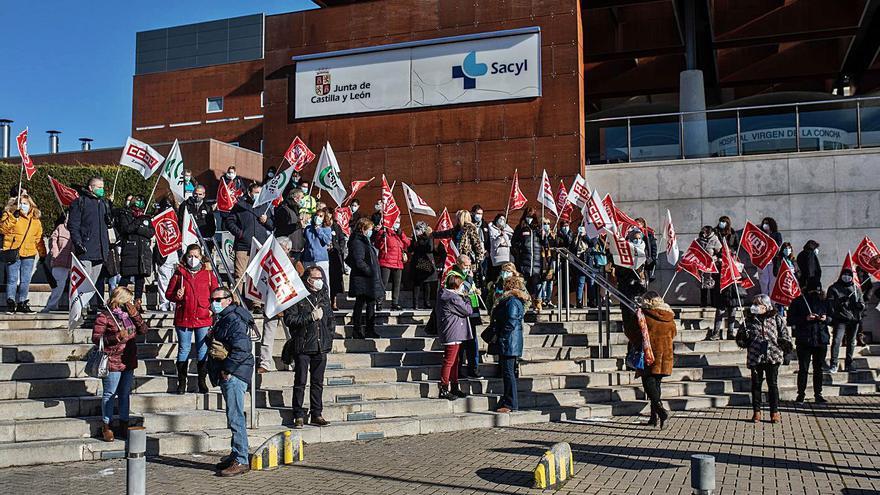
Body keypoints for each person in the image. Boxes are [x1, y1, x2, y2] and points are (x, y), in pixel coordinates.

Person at [207, 286, 254, 477]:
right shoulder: (223, 318)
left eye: (218, 300)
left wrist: (227, 369)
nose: (214, 303)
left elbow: (242, 349)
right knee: (233, 415)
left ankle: (241, 459)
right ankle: (236, 454)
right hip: (231, 371)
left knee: (236, 417)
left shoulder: (234, 319)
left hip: (235, 373)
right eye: (212, 299)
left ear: (228, 300)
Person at [92, 287, 148, 442]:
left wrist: (135, 315)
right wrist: (116, 337)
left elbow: (144, 330)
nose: (130, 303)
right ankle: (107, 425)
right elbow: (96, 339)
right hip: (113, 360)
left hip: (128, 359)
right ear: (120, 299)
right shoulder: (105, 316)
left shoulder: (129, 315)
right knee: (110, 393)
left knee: (125, 393)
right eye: (128, 300)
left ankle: (124, 423)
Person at [282, 266, 333, 429]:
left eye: (320, 278)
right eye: (315, 278)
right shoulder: (298, 295)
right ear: (307, 279)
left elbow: (330, 320)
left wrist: (329, 337)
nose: (319, 281)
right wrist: (309, 317)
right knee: (300, 381)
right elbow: (290, 320)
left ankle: (317, 413)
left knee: (318, 382)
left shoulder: (324, 295)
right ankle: (298, 414)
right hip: (303, 345)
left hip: (320, 345)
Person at [166, 244, 220, 394]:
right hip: (184, 317)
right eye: (190, 256)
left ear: (201, 257)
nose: (193, 259)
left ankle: (202, 381)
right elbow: (168, 294)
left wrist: (212, 310)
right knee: (184, 349)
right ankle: (182, 382)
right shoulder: (179, 273)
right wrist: (177, 295)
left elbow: (217, 295)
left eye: (196, 256)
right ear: (186, 256)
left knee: (202, 349)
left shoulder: (208, 274)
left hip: (203, 317)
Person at [739, 294, 793, 424]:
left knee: (772, 384)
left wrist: (784, 347)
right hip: (755, 356)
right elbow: (741, 337)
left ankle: (774, 412)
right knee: (756, 385)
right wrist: (743, 337)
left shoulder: (776, 318)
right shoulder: (749, 319)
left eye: (758, 304)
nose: (755, 306)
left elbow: (785, 334)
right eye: (754, 304)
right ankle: (756, 412)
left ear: (766, 306)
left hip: (772, 356)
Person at [628, 291, 676, 429]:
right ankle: (654, 417)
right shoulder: (669, 315)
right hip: (665, 355)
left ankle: (661, 412)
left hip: (649, 354)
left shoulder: (642, 315)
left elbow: (631, 332)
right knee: (657, 384)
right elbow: (674, 333)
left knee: (648, 383)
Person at [68, 177, 112, 311]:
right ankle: (80, 307)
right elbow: (73, 225)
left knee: (93, 282)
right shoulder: (80, 202)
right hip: (86, 249)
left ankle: (87, 304)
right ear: (91, 187)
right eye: (99, 187)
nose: (101, 189)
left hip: (100, 250)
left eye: (102, 187)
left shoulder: (103, 203)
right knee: (84, 280)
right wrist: (78, 242)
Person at [1, 193, 46, 313]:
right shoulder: (10, 214)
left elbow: (38, 238)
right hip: (13, 251)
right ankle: (11, 302)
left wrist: (42, 253)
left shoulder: (35, 219)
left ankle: (22, 302)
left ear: (31, 205)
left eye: (25, 203)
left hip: (29, 252)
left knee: (25, 280)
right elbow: (3, 229)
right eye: (21, 203)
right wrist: (13, 217)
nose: (23, 206)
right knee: (12, 279)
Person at [490, 275, 529, 413]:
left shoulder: (512, 301)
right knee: (508, 372)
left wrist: (502, 336)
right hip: (511, 341)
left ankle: (510, 403)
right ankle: (507, 400)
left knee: (508, 373)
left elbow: (511, 320)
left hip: (509, 341)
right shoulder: (515, 300)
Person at [787, 283, 830, 403]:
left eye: (818, 291)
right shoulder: (799, 301)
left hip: (821, 339)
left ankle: (818, 394)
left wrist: (826, 319)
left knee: (818, 369)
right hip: (804, 340)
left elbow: (833, 316)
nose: (816, 293)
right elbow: (790, 319)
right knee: (803, 369)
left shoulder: (824, 301)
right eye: (813, 291)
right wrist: (805, 318)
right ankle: (801, 394)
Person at [225, 182, 274, 284]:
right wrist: (240, 234)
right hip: (243, 246)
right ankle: (237, 295)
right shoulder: (240, 206)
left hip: (260, 247)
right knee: (239, 276)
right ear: (249, 193)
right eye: (256, 193)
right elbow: (229, 222)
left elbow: (272, 226)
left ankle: (254, 295)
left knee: (257, 276)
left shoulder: (265, 207)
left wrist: (266, 221)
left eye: (260, 193)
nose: (258, 195)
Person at [436, 274, 474, 400]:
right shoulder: (453, 298)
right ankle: (444, 388)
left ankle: (454, 386)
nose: (463, 287)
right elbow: (468, 311)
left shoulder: (445, 295)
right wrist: (467, 298)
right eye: (461, 285)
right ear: (456, 286)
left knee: (455, 361)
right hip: (453, 332)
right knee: (449, 361)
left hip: (453, 331)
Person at [445, 254, 483, 379]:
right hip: (460, 313)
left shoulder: (468, 274)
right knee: (461, 343)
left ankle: (473, 368)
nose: (468, 268)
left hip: (471, 311)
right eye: (465, 265)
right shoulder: (453, 275)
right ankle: (459, 369)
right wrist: (469, 280)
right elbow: (462, 291)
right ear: (459, 264)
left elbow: (471, 290)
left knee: (473, 342)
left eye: (469, 265)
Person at [346, 218, 383, 339]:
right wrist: (370, 271)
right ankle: (357, 330)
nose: (371, 232)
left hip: (368, 280)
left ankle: (369, 329)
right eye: (369, 229)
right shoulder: (358, 242)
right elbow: (359, 261)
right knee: (360, 304)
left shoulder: (365, 241)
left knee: (371, 304)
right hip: (363, 279)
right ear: (363, 229)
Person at [115, 195, 154, 304]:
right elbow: (127, 229)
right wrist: (138, 222)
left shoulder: (146, 217)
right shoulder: (125, 214)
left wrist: (139, 228)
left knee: (140, 278)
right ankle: (117, 300)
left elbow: (151, 232)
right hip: (130, 250)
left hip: (142, 252)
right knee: (125, 277)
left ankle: (138, 301)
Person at [826, 268, 865, 372]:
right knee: (837, 340)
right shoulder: (834, 288)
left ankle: (849, 363)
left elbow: (862, 303)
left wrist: (858, 305)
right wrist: (840, 302)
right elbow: (829, 304)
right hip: (840, 319)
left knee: (851, 342)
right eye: (845, 274)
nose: (847, 277)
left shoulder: (856, 289)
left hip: (854, 319)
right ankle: (834, 363)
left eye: (849, 275)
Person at [374, 218, 411, 311]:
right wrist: (381, 237)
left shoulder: (399, 233)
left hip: (398, 262)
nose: (397, 224)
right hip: (386, 261)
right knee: (383, 283)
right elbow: (377, 245)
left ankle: (395, 303)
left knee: (397, 284)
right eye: (396, 222)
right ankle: (379, 301)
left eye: (398, 222)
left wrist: (401, 234)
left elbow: (407, 243)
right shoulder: (384, 232)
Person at [151, 198, 179, 312]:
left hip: (175, 254)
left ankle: (173, 303)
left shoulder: (176, 220)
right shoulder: (156, 221)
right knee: (163, 280)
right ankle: (164, 303)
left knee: (175, 280)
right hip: (163, 255)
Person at [512, 208, 542, 308]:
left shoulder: (538, 229)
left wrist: (544, 235)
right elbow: (514, 243)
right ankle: (524, 303)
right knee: (524, 284)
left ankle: (536, 303)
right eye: (528, 216)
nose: (530, 218)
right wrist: (519, 250)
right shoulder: (520, 228)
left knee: (536, 284)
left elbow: (545, 244)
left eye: (531, 216)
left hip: (536, 262)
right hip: (524, 261)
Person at [42, 212, 72, 313]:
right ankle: (52, 305)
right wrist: (55, 253)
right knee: (58, 285)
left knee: (76, 286)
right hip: (60, 261)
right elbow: (53, 241)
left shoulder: (79, 228)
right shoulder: (60, 227)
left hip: (74, 262)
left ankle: (75, 307)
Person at [409, 221, 438, 310]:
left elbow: (430, 248)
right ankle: (415, 304)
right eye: (416, 229)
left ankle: (427, 302)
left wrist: (420, 244)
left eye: (419, 229)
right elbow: (410, 249)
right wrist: (414, 243)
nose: (417, 231)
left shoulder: (428, 237)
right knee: (416, 283)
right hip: (417, 261)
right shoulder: (414, 238)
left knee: (427, 282)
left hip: (426, 261)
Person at [178, 185, 216, 250]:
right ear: (193, 193)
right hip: (189, 237)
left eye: (200, 194)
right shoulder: (185, 205)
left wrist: (208, 236)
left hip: (204, 237)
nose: (197, 196)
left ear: (204, 195)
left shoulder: (207, 207)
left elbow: (211, 224)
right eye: (196, 194)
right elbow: (180, 221)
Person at [302, 209, 333, 284]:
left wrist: (319, 230)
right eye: (317, 215)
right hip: (308, 258)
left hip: (321, 259)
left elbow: (327, 241)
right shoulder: (308, 229)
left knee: (324, 280)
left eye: (321, 216)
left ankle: (325, 292)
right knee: (308, 280)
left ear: (324, 218)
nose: (318, 217)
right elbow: (304, 241)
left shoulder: (326, 229)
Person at [696, 226, 722, 308]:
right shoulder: (699, 240)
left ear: (709, 232)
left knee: (711, 284)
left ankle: (713, 303)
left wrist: (715, 258)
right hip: (702, 265)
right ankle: (703, 303)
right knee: (702, 284)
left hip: (711, 265)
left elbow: (720, 252)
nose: (703, 233)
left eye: (705, 231)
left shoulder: (715, 240)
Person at [326, 212, 346, 312]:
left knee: (334, 280)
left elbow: (342, 239)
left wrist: (339, 248)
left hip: (335, 256)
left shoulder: (336, 227)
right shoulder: (321, 227)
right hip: (325, 256)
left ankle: (333, 301)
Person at [758, 217, 783, 295]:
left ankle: (772, 299)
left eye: (767, 223)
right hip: (763, 261)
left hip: (773, 260)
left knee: (773, 281)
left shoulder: (777, 234)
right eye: (764, 223)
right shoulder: (760, 234)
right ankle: (764, 298)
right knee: (764, 281)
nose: (765, 225)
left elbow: (778, 245)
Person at [487, 214, 513, 283]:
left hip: (506, 258)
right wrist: (500, 237)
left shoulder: (507, 230)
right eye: (500, 219)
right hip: (496, 258)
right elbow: (494, 245)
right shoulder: (492, 229)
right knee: (497, 278)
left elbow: (509, 244)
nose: (502, 221)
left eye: (504, 220)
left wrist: (505, 234)